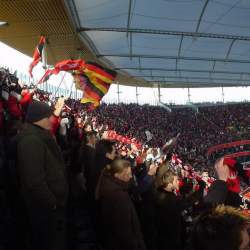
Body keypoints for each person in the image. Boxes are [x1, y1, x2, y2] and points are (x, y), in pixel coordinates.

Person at [17, 100, 69, 250]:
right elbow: (34, 182)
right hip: (45, 211)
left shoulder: (37, 135)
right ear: (40, 118)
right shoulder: (31, 141)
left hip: (49, 208)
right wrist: (52, 203)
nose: (52, 120)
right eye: (49, 117)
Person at [96, 158, 146, 250]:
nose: (131, 176)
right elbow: (124, 232)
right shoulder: (119, 197)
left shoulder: (109, 184)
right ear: (117, 175)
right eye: (128, 174)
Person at [154, 165, 204, 250]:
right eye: (176, 180)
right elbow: (188, 201)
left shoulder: (159, 192)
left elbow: (183, 191)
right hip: (169, 238)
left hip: (161, 234)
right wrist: (201, 187)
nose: (178, 182)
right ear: (170, 183)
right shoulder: (171, 199)